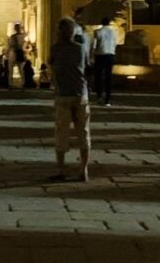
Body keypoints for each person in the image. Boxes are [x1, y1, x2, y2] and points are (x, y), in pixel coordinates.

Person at [49, 17, 91, 182]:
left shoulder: (56, 49)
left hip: (63, 94)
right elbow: (87, 65)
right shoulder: (81, 49)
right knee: (84, 132)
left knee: (61, 133)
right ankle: (84, 170)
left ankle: (61, 169)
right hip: (80, 93)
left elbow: (51, 63)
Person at [92, 18, 119, 106]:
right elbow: (115, 43)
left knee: (98, 76)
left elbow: (94, 45)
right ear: (109, 23)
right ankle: (108, 99)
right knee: (108, 77)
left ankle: (99, 96)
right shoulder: (113, 32)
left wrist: (91, 55)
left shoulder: (97, 32)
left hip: (99, 55)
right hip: (110, 55)